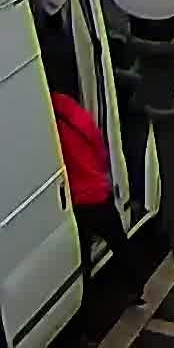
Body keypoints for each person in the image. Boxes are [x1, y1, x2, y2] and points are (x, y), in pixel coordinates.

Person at [53, 85, 112, 274]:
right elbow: (97, 143)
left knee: (83, 254)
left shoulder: (48, 129)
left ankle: (86, 295)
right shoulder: (73, 112)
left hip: (77, 201)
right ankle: (138, 287)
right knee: (120, 244)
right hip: (97, 193)